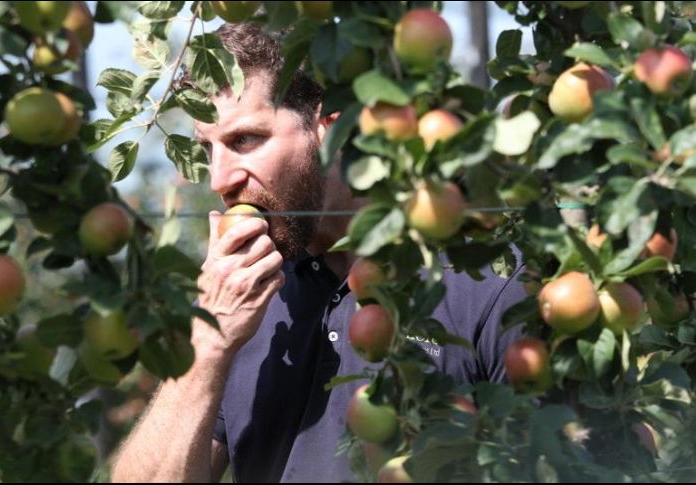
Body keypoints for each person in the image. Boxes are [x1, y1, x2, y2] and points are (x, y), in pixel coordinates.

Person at [112, 22, 526, 483]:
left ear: (328, 128)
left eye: (244, 140)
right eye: (208, 148)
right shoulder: (240, 293)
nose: (219, 179)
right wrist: (209, 342)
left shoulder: (486, 285)